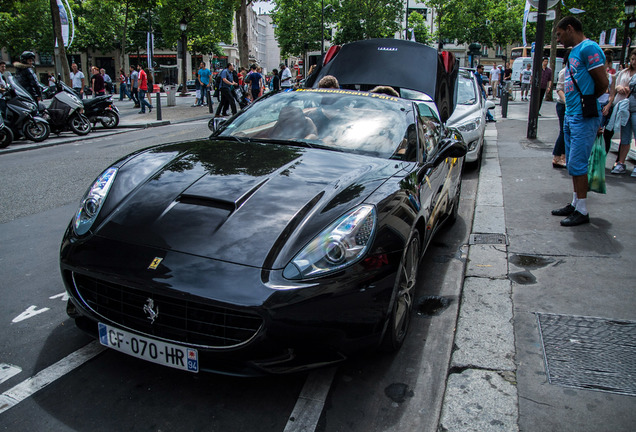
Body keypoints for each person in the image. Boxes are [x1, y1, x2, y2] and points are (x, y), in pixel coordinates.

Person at [551, 16, 608, 226]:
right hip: (572, 113)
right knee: (573, 162)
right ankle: (575, 203)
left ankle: (582, 210)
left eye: (559, 35)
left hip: (582, 115)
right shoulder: (575, 51)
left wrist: (588, 103)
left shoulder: (588, 48)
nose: (559, 40)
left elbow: (603, 83)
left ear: (569, 29)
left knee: (577, 162)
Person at [605, 49, 636, 175]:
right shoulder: (624, 72)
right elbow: (615, 85)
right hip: (623, 106)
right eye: (632, 59)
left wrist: (628, 89)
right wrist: (619, 88)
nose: (633, 62)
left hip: (633, 107)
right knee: (625, 136)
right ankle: (620, 162)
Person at [553, 52, 568, 168]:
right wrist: (567, 102)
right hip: (563, 105)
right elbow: (559, 89)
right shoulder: (564, 72)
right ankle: (557, 156)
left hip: (569, 105)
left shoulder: (576, 72)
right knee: (564, 131)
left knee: (567, 131)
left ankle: (562, 156)